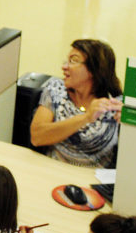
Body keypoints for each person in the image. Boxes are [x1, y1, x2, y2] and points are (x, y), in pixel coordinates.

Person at [29, 39, 123, 168]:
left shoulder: (116, 103)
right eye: (66, 61)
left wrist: (129, 127)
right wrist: (85, 118)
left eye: (73, 60)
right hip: (54, 171)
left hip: (93, 181)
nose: (64, 66)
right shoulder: (56, 90)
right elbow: (37, 137)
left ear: (94, 69)